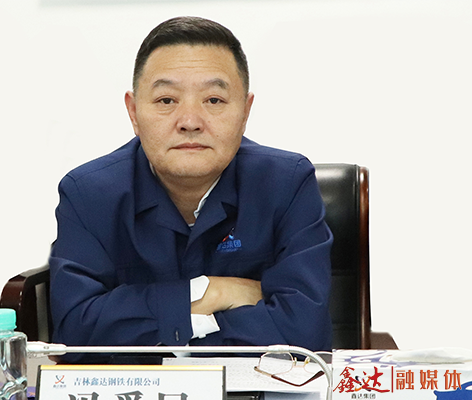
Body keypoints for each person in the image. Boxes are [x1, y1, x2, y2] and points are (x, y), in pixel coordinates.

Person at [49, 16, 333, 363]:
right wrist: (210, 292)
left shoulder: (286, 184)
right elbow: (75, 336)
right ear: (134, 112)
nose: (190, 122)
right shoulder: (88, 194)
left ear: (245, 112)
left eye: (213, 100)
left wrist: (154, 326)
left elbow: (305, 334)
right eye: (166, 100)